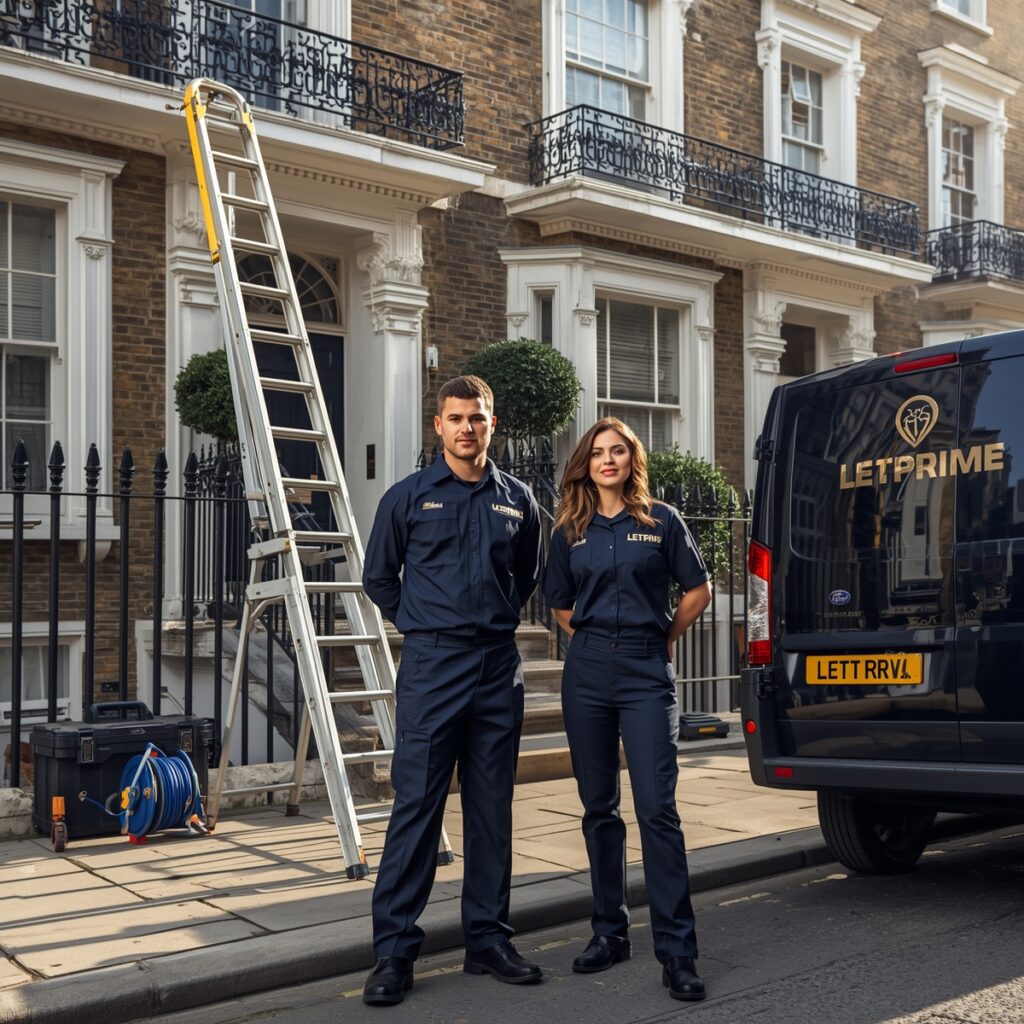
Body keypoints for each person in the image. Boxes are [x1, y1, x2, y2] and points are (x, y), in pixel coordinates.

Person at [361, 375, 543, 1006]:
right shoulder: (406, 498)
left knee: (492, 811)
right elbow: (379, 578)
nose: (468, 428)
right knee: (417, 808)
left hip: (497, 667)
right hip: (432, 666)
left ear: (494, 425)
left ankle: (488, 940)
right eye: (457, 418)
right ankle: (393, 954)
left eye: (479, 418)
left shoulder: (518, 500)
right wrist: (423, 621)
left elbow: (525, 577)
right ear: (438, 426)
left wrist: (487, 623)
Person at [543, 417, 713, 1002]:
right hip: (587, 672)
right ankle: (609, 932)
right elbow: (560, 603)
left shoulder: (661, 521)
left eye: (617, 452)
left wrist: (666, 634)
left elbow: (698, 589)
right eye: (597, 453)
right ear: (586, 464)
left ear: (631, 459)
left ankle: (678, 952)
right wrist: (590, 639)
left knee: (657, 810)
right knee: (598, 807)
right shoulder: (569, 528)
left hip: (646, 671)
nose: (607, 461)